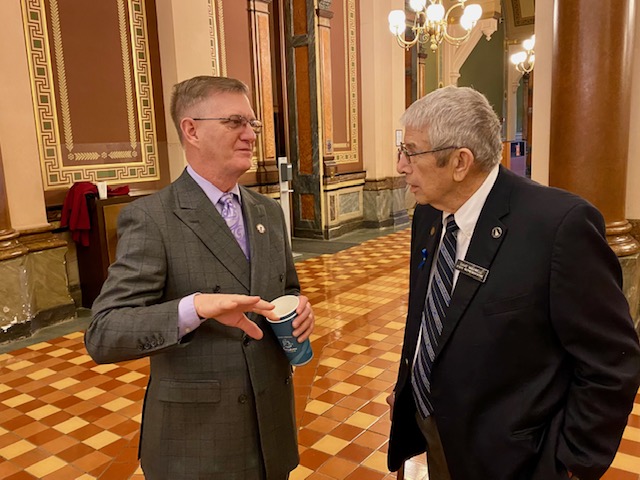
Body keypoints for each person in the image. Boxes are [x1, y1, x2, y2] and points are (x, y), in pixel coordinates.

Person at [387, 86, 640, 480]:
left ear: (459, 162)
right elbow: (429, 316)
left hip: (514, 460)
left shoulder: (558, 226)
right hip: (438, 438)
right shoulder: (430, 214)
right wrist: (412, 387)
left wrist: (570, 463)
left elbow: (612, 363)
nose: (401, 165)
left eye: (411, 152)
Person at [85, 75, 314, 480]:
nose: (250, 135)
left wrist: (298, 309)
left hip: (271, 430)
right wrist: (194, 308)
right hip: (197, 443)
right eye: (234, 122)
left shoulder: (268, 212)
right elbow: (104, 333)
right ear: (191, 129)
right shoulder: (153, 218)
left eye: (253, 124)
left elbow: (287, 289)